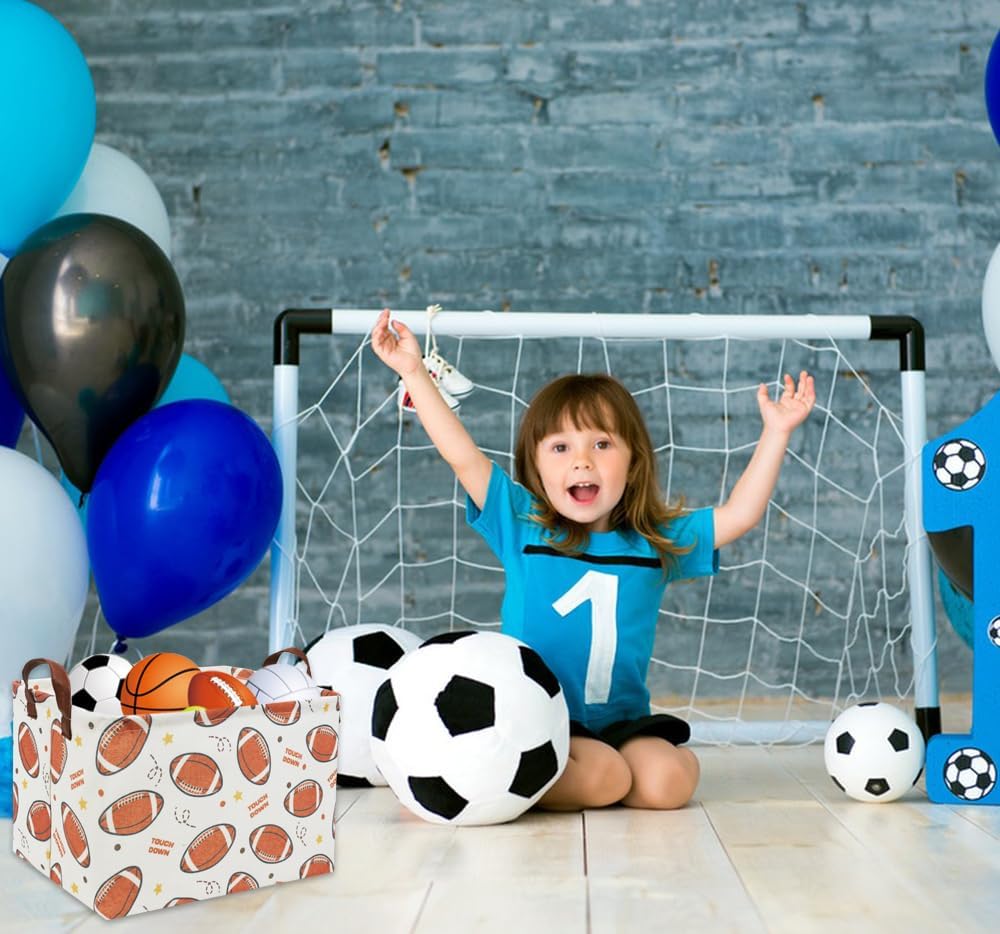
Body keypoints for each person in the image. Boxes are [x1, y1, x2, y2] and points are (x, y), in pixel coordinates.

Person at [371, 308, 816, 811]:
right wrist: (413, 372)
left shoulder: (655, 540)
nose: (582, 460)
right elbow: (462, 455)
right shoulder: (521, 522)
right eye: (560, 447)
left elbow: (739, 514)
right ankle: (490, 777)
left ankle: (592, 771)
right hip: (541, 717)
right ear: (536, 468)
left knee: (665, 786)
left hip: (625, 721)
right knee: (605, 780)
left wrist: (776, 433)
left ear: (633, 460)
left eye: (602, 444)